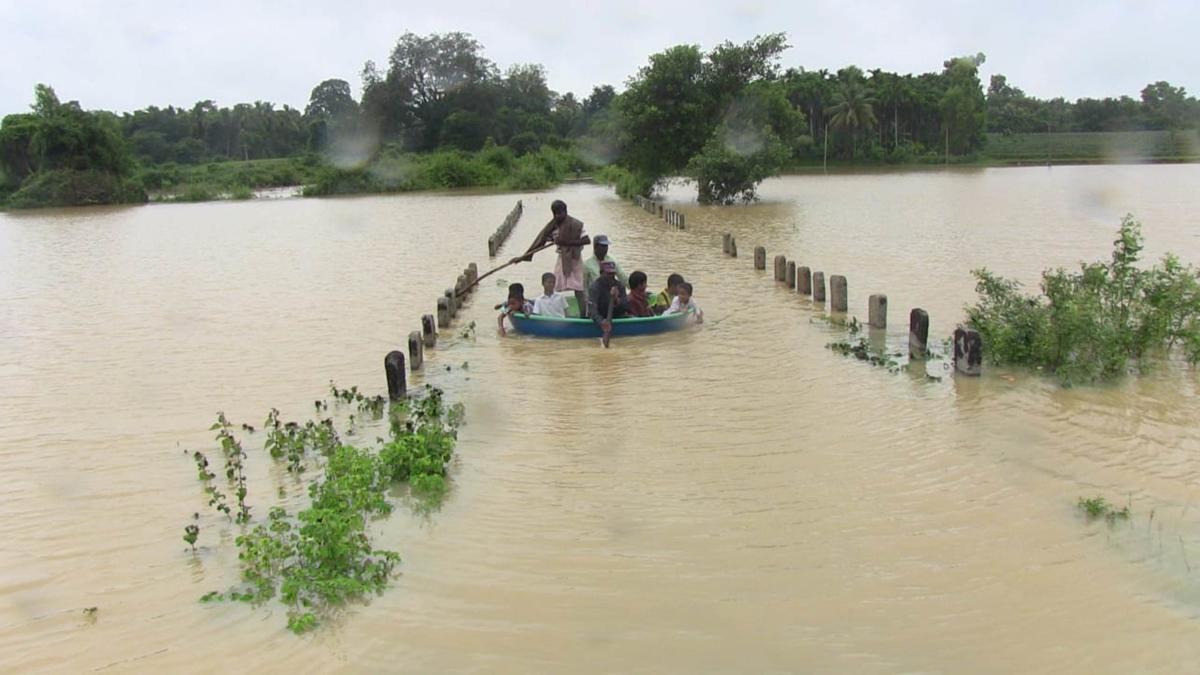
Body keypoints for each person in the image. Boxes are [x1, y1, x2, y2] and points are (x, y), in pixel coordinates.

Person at [512, 200, 590, 317]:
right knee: (553, 285)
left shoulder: (576, 224)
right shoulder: (553, 226)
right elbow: (539, 242)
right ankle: (553, 312)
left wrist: (566, 242)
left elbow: (587, 240)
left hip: (575, 259)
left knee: (578, 289)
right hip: (561, 258)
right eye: (555, 214)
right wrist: (522, 257)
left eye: (560, 213)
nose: (558, 216)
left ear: (565, 211)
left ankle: (584, 315)